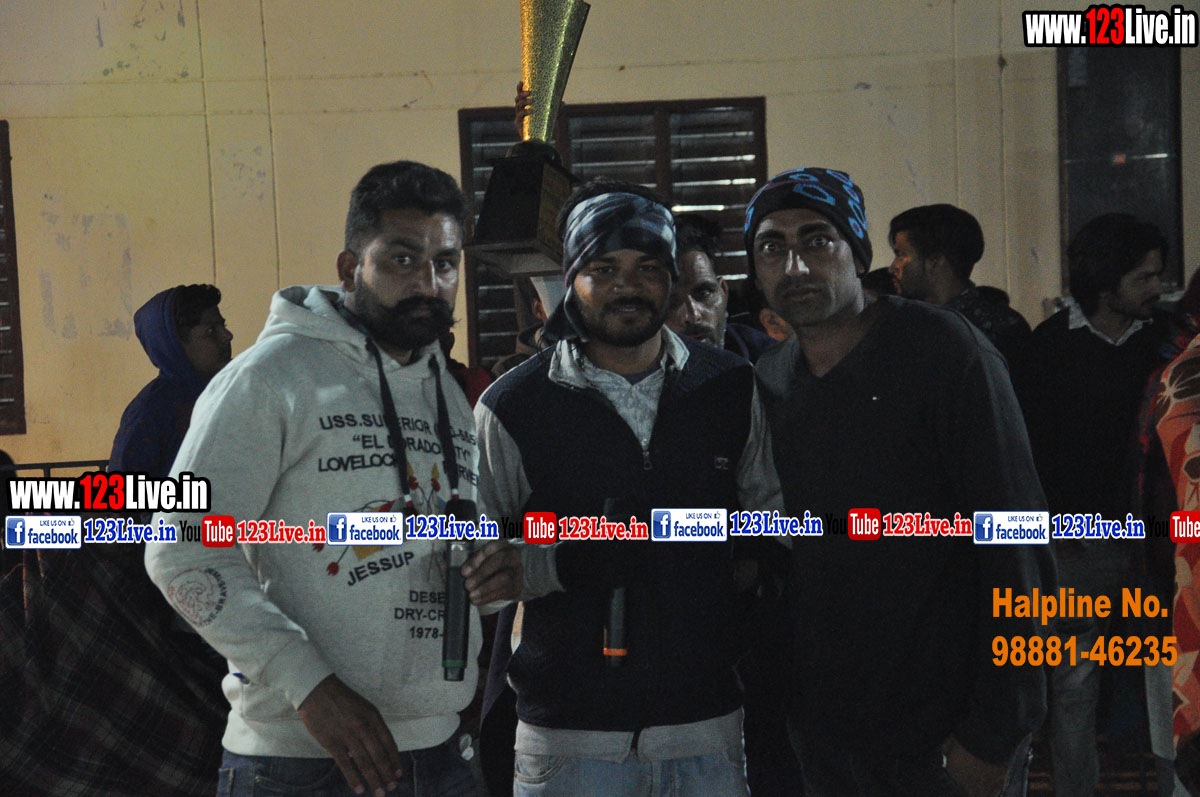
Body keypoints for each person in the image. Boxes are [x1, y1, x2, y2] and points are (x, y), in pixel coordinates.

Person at [145, 160, 521, 797]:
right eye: (401, 259)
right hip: (299, 762)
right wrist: (310, 687)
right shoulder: (269, 377)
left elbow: (453, 536)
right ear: (349, 269)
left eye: (446, 263)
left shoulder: (449, 395)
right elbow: (179, 546)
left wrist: (494, 575)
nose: (428, 283)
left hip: (438, 753)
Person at [748, 167, 1052, 797]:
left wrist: (997, 730)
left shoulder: (943, 351)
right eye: (772, 247)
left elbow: (1017, 535)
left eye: (817, 241)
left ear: (859, 254)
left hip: (947, 730)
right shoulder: (772, 376)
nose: (795, 266)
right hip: (827, 731)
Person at [474, 178, 783, 796]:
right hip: (569, 739)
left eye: (648, 267)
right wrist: (563, 563)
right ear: (572, 279)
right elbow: (473, 557)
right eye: (603, 268)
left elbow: (773, 517)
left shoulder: (729, 386)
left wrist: (732, 565)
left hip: (706, 726)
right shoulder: (513, 405)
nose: (628, 285)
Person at [1024, 212, 1169, 797]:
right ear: (1107, 285)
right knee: (1073, 689)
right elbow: (1029, 453)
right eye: (1145, 277)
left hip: (1154, 545)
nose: (1158, 287)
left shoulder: (1166, 344)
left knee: (1165, 684)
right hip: (1075, 548)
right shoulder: (1046, 348)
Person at [887, 203, 1032, 383]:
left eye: (901, 254)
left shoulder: (999, 329)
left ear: (935, 261)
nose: (893, 267)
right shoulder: (902, 322)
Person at [109, 283, 233, 478]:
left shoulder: (232, 393)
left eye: (223, 326)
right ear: (175, 345)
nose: (227, 336)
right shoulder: (151, 411)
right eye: (211, 331)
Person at [668, 213, 775, 362]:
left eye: (703, 293)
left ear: (724, 292)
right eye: (671, 301)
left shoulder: (772, 362)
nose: (693, 316)